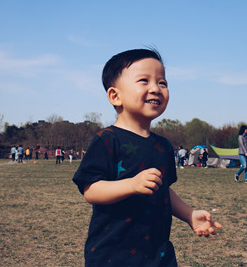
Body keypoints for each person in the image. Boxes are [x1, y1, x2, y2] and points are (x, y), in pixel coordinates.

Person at [72, 48, 221, 267]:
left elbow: (163, 190)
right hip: (113, 255)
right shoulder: (107, 139)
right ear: (115, 95)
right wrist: (131, 184)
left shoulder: (163, 145)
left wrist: (189, 214)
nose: (156, 88)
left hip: (158, 254)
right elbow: (91, 190)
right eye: (144, 80)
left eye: (162, 83)